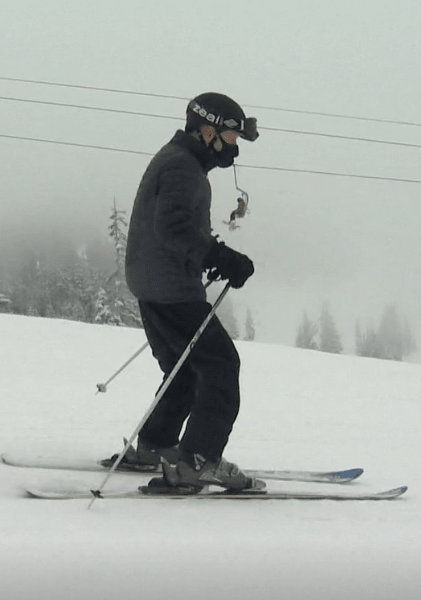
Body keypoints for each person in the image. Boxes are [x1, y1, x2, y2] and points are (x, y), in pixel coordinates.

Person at [103, 92, 259, 494]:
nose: (234, 148)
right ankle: (198, 462)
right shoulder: (183, 167)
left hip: (154, 280)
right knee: (221, 367)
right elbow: (172, 227)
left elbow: (171, 227)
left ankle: (156, 444)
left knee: (184, 370)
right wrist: (219, 256)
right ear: (207, 130)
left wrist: (203, 257)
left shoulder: (179, 160)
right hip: (171, 288)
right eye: (229, 137)